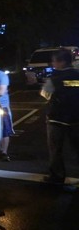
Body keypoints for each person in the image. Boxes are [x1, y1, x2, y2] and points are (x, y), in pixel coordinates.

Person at [40, 48, 79, 184]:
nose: (53, 64)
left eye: (54, 61)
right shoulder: (77, 75)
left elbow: (45, 94)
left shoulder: (54, 79)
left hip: (57, 119)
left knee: (56, 150)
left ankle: (57, 176)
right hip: (76, 118)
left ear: (61, 62)